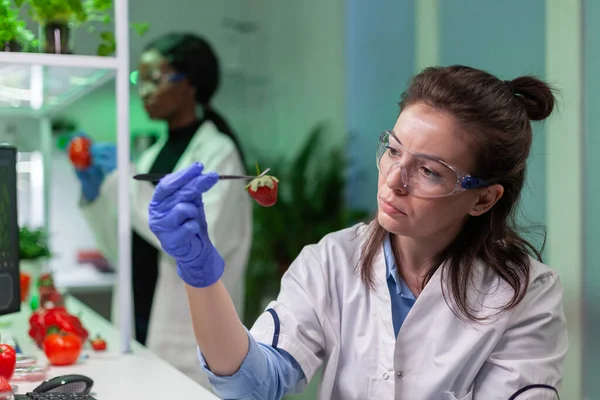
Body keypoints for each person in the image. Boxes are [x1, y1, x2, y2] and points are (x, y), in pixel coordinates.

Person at [147, 65, 568, 399]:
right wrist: (199, 275)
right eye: (393, 149)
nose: (393, 180)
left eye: (428, 171)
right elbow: (251, 386)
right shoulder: (331, 261)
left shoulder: (526, 294)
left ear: (483, 199)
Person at [72, 33, 252, 388]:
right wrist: (98, 195)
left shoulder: (217, 153)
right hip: (136, 323)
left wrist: (122, 182)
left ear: (191, 85)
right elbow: (121, 249)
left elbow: (195, 241)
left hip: (186, 336)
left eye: (156, 78)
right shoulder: (152, 155)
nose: (144, 91)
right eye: (139, 79)